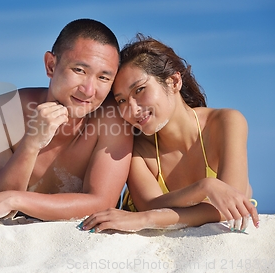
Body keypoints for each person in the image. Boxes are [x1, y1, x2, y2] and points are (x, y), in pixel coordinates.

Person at [0, 19, 133, 227]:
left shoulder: (113, 118)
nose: (89, 90)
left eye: (103, 78)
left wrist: (14, 199)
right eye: (79, 70)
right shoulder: (1, 113)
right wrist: (31, 144)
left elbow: (102, 203)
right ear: (51, 65)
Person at [80, 34, 259, 234]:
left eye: (139, 90)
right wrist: (206, 188)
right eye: (121, 100)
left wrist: (146, 219)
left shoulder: (226, 122)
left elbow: (231, 206)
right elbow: (150, 205)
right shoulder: (136, 146)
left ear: (174, 81)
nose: (132, 109)